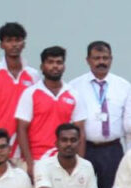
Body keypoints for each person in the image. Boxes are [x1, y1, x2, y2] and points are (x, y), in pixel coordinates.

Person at [68, 41, 130, 188]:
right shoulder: (75, 86)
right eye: (96, 58)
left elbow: (129, 123)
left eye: (105, 58)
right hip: (84, 150)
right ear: (88, 60)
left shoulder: (123, 86)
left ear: (111, 59)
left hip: (112, 150)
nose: (101, 62)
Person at [14, 46, 86, 177]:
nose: (55, 66)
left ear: (64, 66)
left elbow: (80, 131)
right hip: (37, 159)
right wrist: (30, 163)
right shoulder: (30, 93)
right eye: (50, 62)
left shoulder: (73, 94)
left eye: (59, 62)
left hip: (64, 161)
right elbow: (21, 129)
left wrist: (79, 163)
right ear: (42, 66)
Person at [0, 22, 40, 162]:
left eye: (17, 40)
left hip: (25, 148)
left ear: (24, 44)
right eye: (9, 40)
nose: (14, 44)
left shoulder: (33, 75)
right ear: (1, 45)